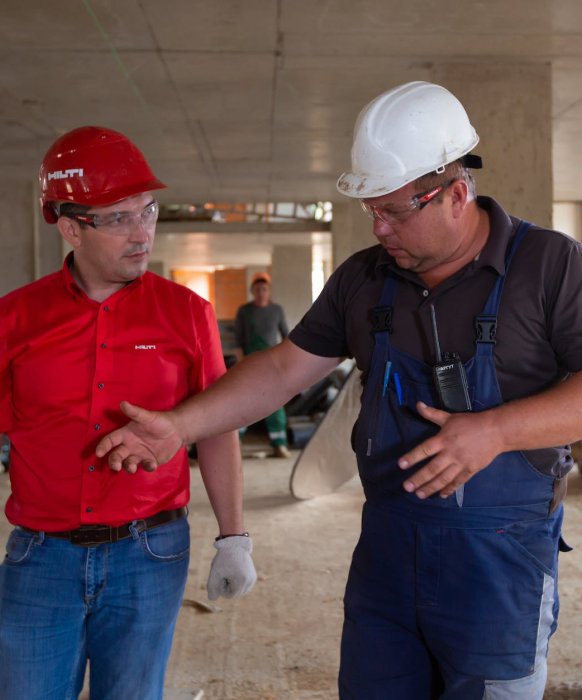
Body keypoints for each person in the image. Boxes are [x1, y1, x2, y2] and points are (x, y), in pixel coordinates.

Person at [96, 81, 582, 699]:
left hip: (500, 558)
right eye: (371, 209)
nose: (378, 228)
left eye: (394, 211)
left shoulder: (551, 266)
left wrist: (497, 431)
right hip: (388, 548)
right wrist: (181, 426)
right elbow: (282, 371)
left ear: (457, 193)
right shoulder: (363, 280)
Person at [0, 126, 257, 700]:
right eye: (119, 218)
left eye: (147, 211)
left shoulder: (187, 314)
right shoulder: (14, 319)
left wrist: (233, 537)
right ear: (70, 227)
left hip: (149, 553)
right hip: (41, 557)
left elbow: (217, 429)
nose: (142, 233)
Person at [234, 271, 291, 458]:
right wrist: (241, 363)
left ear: (269, 291)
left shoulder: (277, 310)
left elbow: (286, 336)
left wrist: (286, 361)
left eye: (264, 289)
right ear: (252, 291)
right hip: (250, 362)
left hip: (271, 362)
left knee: (275, 402)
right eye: (257, 289)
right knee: (243, 401)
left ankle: (279, 444)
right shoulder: (245, 311)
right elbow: (238, 340)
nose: (261, 292)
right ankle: (235, 443)